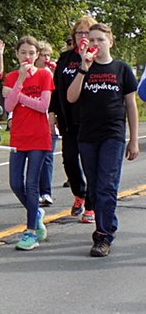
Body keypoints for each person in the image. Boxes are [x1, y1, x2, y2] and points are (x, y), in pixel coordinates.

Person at [67, 23, 139, 257]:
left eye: (100, 39)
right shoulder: (85, 68)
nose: (96, 43)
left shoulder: (122, 69)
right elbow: (71, 97)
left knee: (107, 187)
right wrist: (82, 69)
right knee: (96, 189)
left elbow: (131, 105)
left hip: (113, 135)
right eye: (92, 40)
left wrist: (133, 140)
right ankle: (106, 226)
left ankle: (103, 235)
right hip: (87, 136)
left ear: (111, 41)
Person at [3, 36, 54, 250]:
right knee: (16, 183)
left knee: (32, 185)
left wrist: (20, 95)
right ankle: (37, 213)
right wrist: (20, 82)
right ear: (17, 54)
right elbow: (8, 106)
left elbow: (43, 106)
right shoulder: (12, 76)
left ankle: (31, 232)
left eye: (32, 53)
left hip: (39, 137)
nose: (27, 56)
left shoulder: (44, 75)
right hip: (18, 137)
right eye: (23, 52)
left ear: (37, 55)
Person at [49, 16, 97, 222]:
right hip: (68, 119)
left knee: (90, 162)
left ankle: (91, 206)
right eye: (80, 33)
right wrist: (52, 113)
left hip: (90, 120)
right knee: (69, 159)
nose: (83, 37)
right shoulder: (65, 58)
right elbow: (55, 87)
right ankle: (79, 194)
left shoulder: (98, 58)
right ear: (74, 36)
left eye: (87, 33)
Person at [35, 41, 57, 206]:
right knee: (35, 158)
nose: (46, 58)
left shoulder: (52, 74)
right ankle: (33, 191)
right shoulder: (30, 73)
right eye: (43, 55)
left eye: (48, 55)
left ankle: (46, 192)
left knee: (48, 157)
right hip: (32, 121)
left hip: (49, 120)